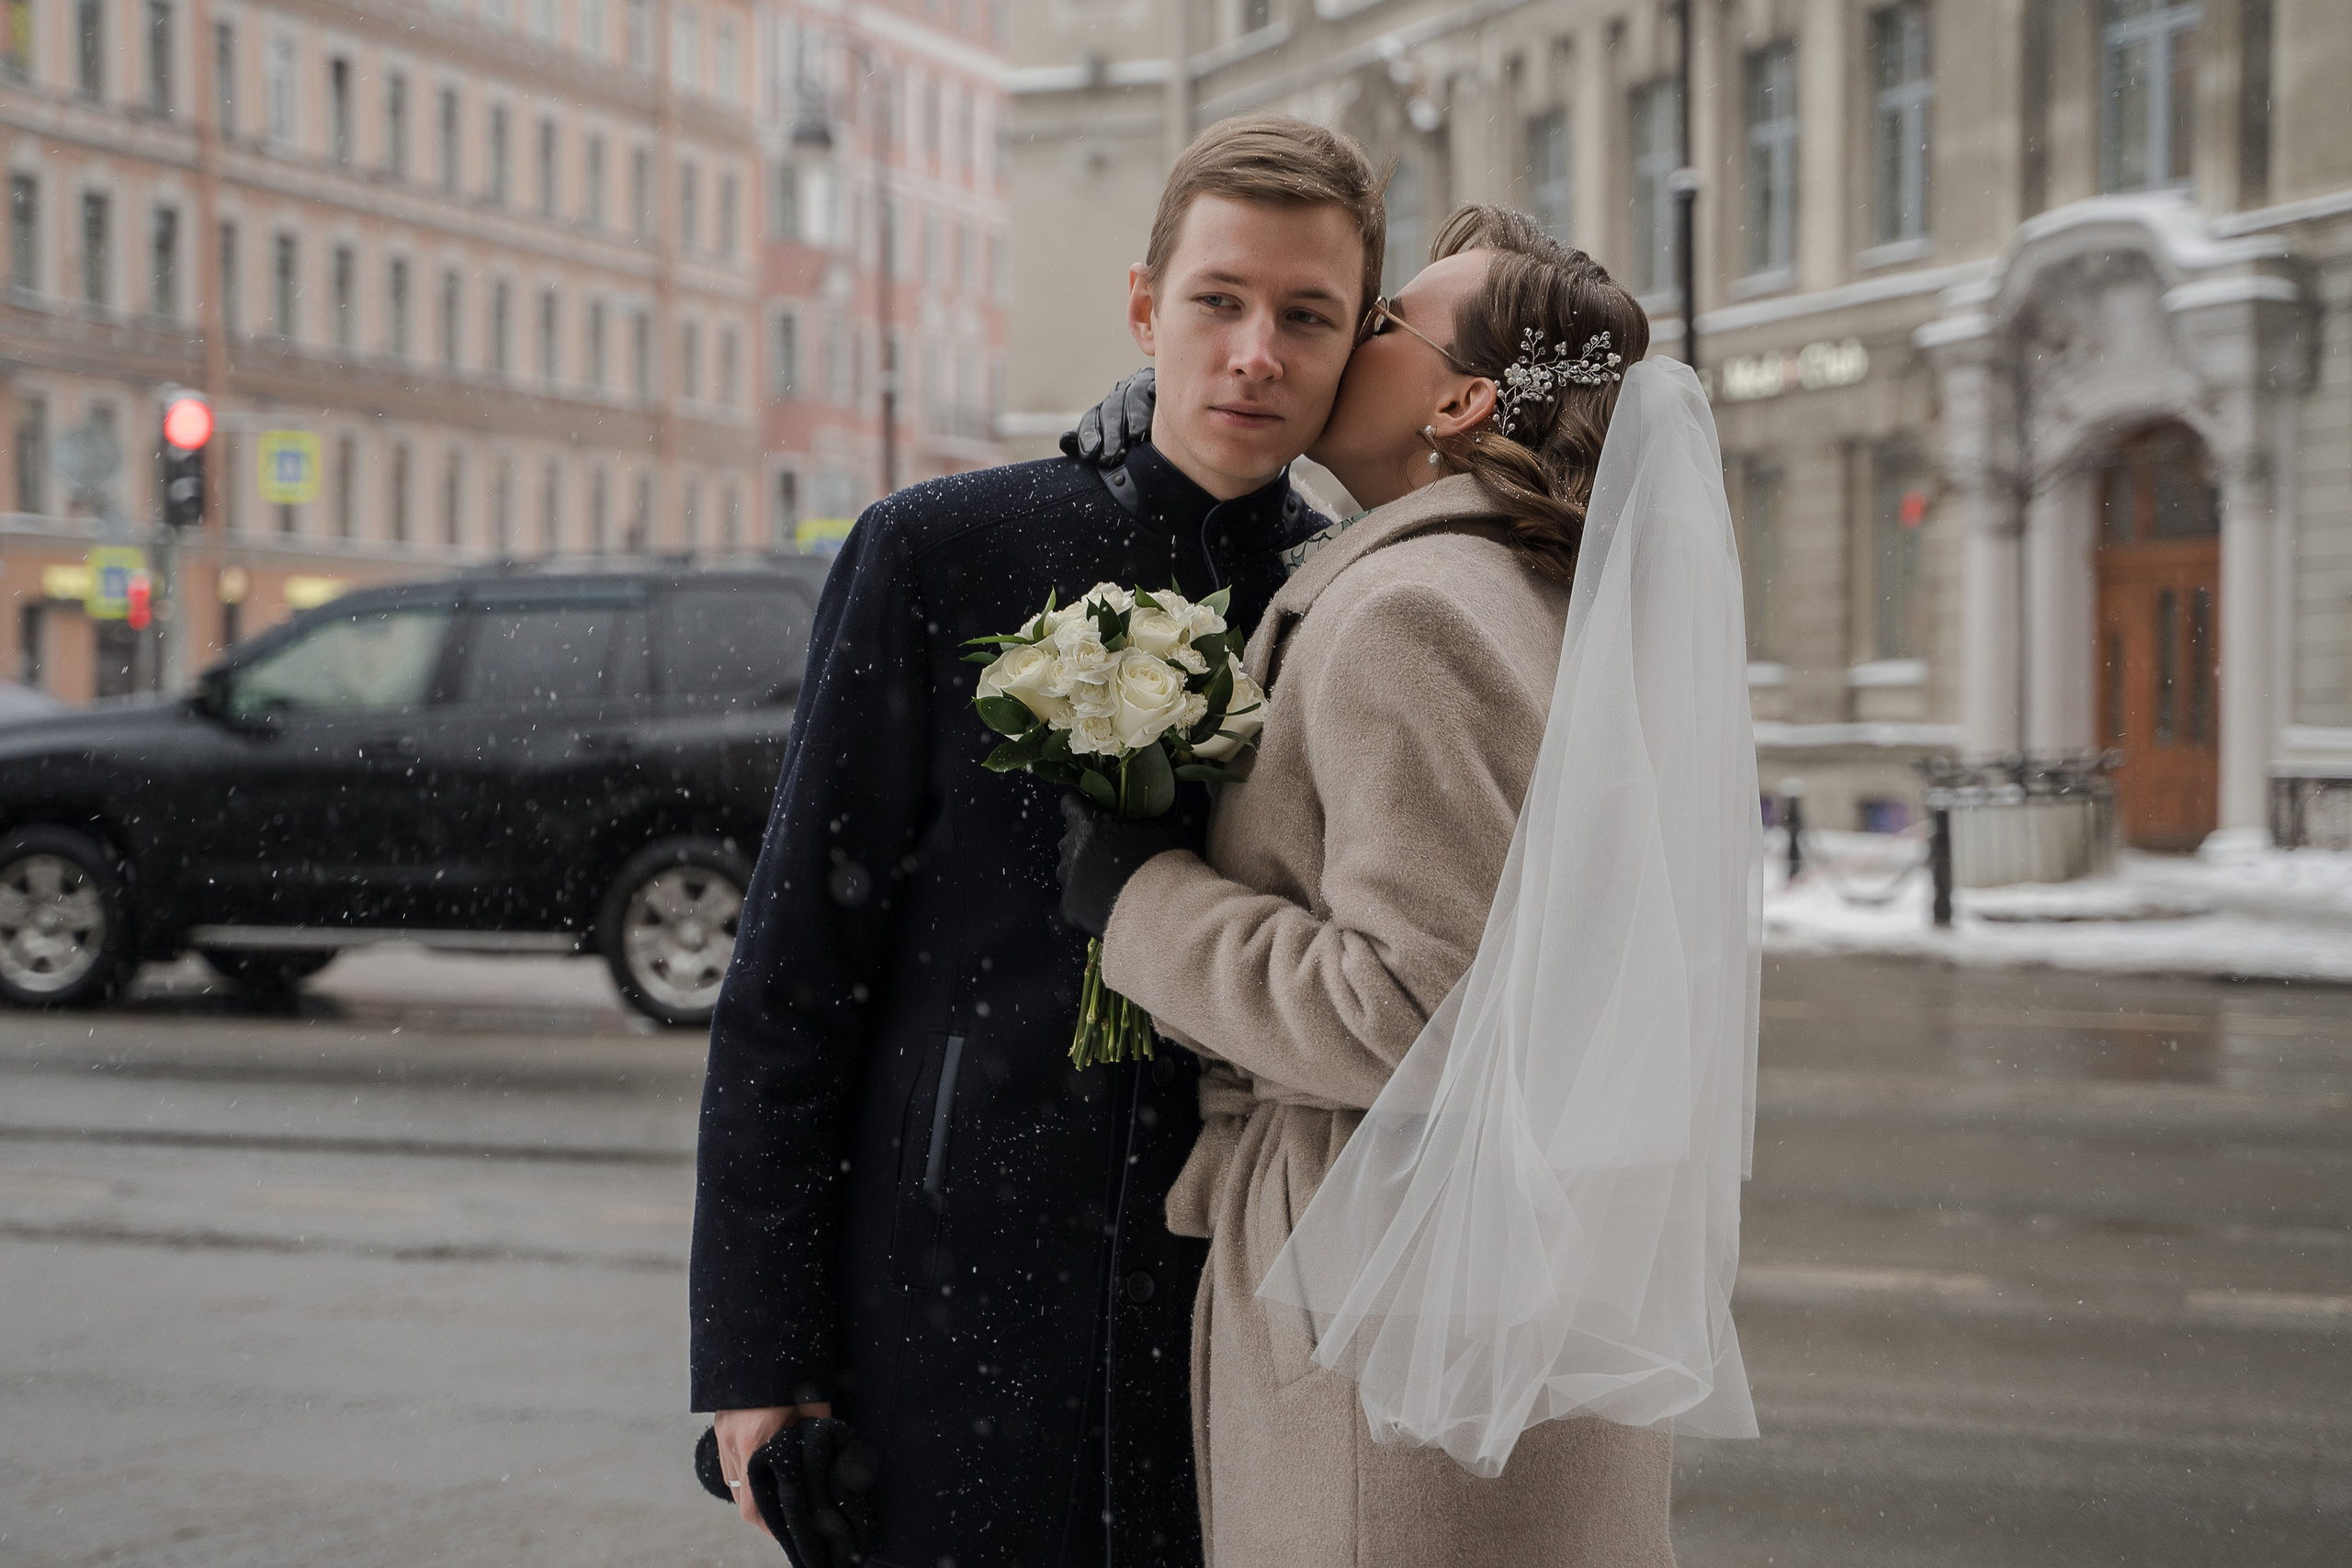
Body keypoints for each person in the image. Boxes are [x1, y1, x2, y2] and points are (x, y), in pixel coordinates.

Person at [690, 115, 1383, 1568]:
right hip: (948, 1280)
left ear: (1352, 342)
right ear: (1146, 304)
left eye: (1307, 316)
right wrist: (757, 1355)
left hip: (1234, 1307)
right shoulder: (946, 550)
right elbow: (794, 975)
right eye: (1220, 301)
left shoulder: (1350, 605)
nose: (1258, 350)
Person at [1058, 206, 1758, 1564]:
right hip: (1506, 1281)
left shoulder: (1412, 614)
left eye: (1381, 322)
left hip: (1387, 1294)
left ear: (1463, 398)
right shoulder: (1544, 594)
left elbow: (1417, 1004)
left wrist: (1140, 901)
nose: (1351, 330)